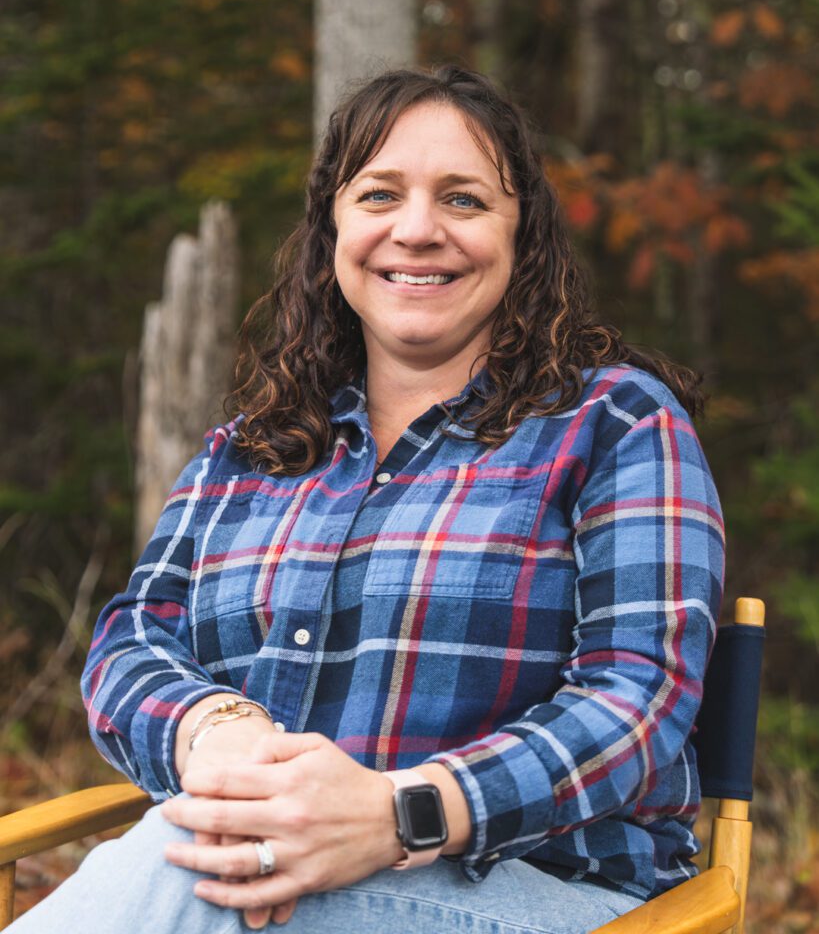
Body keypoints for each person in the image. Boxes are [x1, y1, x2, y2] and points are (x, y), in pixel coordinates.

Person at [10, 65, 724, 934]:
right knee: (196, 867)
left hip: (547, 895)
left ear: (521, 236)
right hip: (243, 877)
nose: (416, 231)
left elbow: (636, 700)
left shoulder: (610, 425)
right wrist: (217, 729)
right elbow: (130, 641)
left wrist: (400, 816)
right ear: (332, 230)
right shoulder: (251, 448)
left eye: (462, 200)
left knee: (187, 874)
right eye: (380, 194)